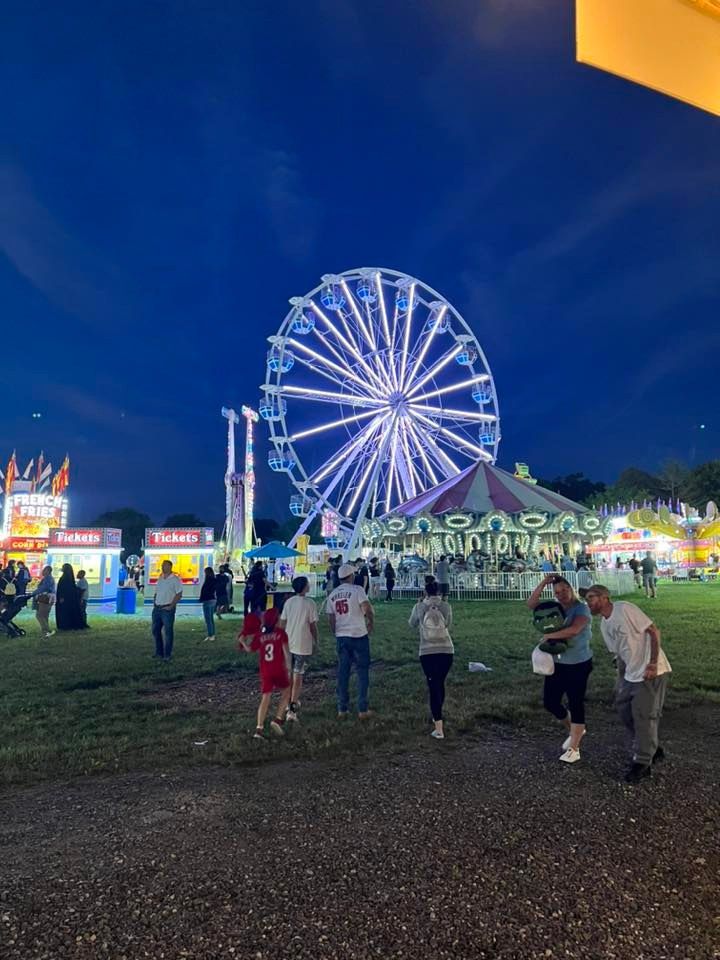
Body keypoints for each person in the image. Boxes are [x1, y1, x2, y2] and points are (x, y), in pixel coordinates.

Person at [585, 584, 671, 783]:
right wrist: (620, 680)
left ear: (605, 597)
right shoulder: (604, 625)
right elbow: (620, 654)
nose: (587, 602)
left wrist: (652, 663)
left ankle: (642, 762)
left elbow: (653, 631)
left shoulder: (624, 609)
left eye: (591, 597)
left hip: (650, 672)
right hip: (630, 673)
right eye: (587, 598)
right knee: (624, 710)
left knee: (643, 715)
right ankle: (651, 746)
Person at [527, 574, 593, 764]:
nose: (562, 594)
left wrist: (550, 636)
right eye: (557, 592)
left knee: (575, 701)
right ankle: (573, 728)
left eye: (565, 590)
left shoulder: (581, 609)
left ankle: (574, 748)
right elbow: (532, 604)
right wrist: (543, 583)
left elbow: (575, 629)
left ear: (571, 589)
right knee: (550, 702)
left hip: (578, 662)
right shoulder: (554, 608)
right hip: (558, 663)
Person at [327, 562, 374, 719]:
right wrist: (370, 621)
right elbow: (367, 608)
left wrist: (336, 632)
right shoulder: (357, 590)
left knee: (343, 672)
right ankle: (362, 709)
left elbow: (331, 618)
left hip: (342, 636)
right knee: (362, 672)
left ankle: (342, 708)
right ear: (351, 576)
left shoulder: (333, 595)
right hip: (359, 634)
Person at [408, 580, 454, 739]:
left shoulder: (419, 607)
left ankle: (438, 726)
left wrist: (419, 606)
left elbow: (412, 624)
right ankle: (438, 714)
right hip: (447, 650)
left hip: (427, 651)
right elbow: (448, 624)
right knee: (439, 683)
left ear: (424, 592)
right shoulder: (446, 606)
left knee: (433, 685)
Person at [237, 609, 292, 739]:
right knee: (287, 691)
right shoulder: (281, 633)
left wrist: (243, 642)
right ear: (275, 621)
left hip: (266, 670)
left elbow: (250, 649)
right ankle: (278, 719)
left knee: (265, 698)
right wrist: (289, 667)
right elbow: (286, 653)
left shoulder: (260, 636)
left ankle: (259, 729)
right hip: (278, 668)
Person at [279, 575, 319, 721]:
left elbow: (282, 623)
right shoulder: (310, 604)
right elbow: (313, 626)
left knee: (289, 674)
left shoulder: (289, 602)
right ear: (304, 587)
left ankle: (288, 701)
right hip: (303, 644)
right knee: (298, 676)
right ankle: (292, 708)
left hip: (289, 643)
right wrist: (316, 641)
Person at [152, 560, 183, 660]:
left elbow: (179, 594)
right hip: (157, 608)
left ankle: (167, 654)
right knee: (155, 630)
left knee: (168, 632)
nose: (163, 567)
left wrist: (171, 606)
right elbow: (157, 592)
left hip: (167, 609)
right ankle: (159, 652)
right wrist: (155, 601)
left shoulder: (175, 579)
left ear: (170, 567)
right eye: (162, 566)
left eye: (164, 566)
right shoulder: (161, 578)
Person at [56, 564, 87, 630]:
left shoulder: (65, 578)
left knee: (64, 612)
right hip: (70, 600)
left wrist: (61, 597)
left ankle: (65, 625)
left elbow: (63, 589)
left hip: (64, 599)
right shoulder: (70, 578)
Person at [30, 565, 56, 638]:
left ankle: (46, 631)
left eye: (44, 570)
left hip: (45, 599)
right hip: (48, 599)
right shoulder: (48, 578)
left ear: (48, 571)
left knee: (39, 615)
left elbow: (43, 588)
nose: (42, 571)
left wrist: (33, 593)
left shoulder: (48, 578)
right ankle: (46, 631)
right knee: (44, 616)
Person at [199, 567, 217, 641]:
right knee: (211, 618)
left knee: (208, 619)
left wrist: (202, 598)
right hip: (212, 599)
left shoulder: (208, 580)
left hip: (207, 600)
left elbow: (205, 591)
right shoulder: (214, 580)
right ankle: (212, 634)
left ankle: (210, 634)